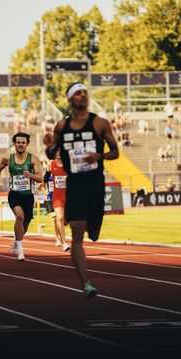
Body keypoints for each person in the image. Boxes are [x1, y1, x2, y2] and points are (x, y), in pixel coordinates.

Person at [53, 82, 119, 299]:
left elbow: (115, 152)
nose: (83, 96)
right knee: (77, 234)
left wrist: (99, 156)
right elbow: (51, 151)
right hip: (75, 185)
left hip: (95, 183)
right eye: (77, 93)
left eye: (85, 93)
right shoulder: (61, 127)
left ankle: (95, 227)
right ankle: (86, 284)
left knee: (94, 234)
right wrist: (48, 146)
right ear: (70, 99)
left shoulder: (100, 123)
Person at [0, 132, 43, 261]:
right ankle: (20, 251)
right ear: (14, 143)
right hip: (14, 194)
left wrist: (30, 176)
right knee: (20, 216)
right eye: (18, 142)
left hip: (28, 195)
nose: (20, 145)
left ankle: (16, 242)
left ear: (27, 144)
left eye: (23, 143)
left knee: (25, 224)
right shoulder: (8, 158)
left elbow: (40, 178)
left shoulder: (33, 158)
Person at [47, 149, 70, 251]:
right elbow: (46, 176)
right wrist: (42, 184)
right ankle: (64, 243)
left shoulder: (68, 164)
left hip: (69, 196)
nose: (59, 153)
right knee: (59, 217)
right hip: (57, 196)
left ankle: (65, 221)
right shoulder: (51, 164)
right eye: (57, 151)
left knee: (65, 222)